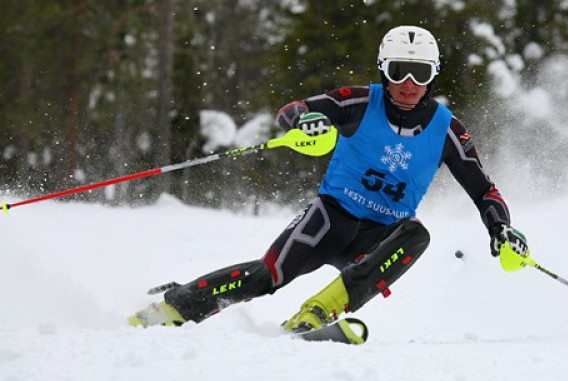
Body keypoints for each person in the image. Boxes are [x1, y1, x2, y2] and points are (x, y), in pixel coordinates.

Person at [128, 25, 530, 334]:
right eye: (399, 71)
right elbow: (292, 111)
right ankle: (175, 305)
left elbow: (484, 189)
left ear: (432, 76)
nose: (409, 83)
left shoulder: (447, 130)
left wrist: (502, 228)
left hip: (379, 238)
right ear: (384, 70)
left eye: (420, 73)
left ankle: (317, 313)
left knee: (417, 235)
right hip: (329, 219)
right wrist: (308, 122)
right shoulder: (359, 101)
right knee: (269, 275)